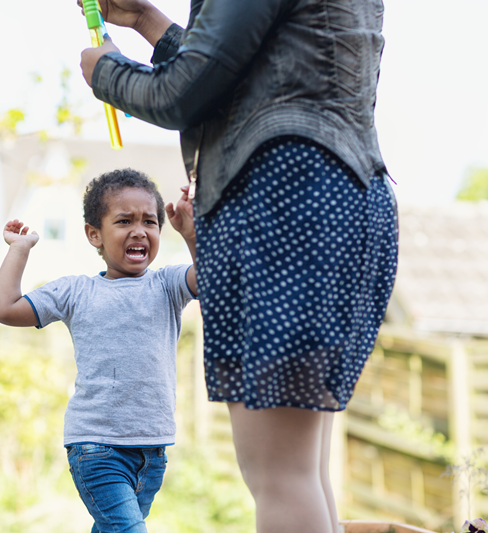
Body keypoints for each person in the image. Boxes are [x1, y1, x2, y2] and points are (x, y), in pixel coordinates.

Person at [76, 1, 398, 533]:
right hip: (346, 200)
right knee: (304, 467)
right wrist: (147, 23)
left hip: (283, 206)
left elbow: (184, 91)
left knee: (280, 475)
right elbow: (252, 74)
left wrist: (104, 71)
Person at [0, 168, 199, 533]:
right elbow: (6, 308)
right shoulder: (76, 292)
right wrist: (19, 250)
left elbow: (214, 277)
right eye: (124, 221)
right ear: (94, 234)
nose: (139, 230)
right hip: (97, 448)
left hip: (153, 450)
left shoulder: (167, 285)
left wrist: (194, 235)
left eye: (150, 221)